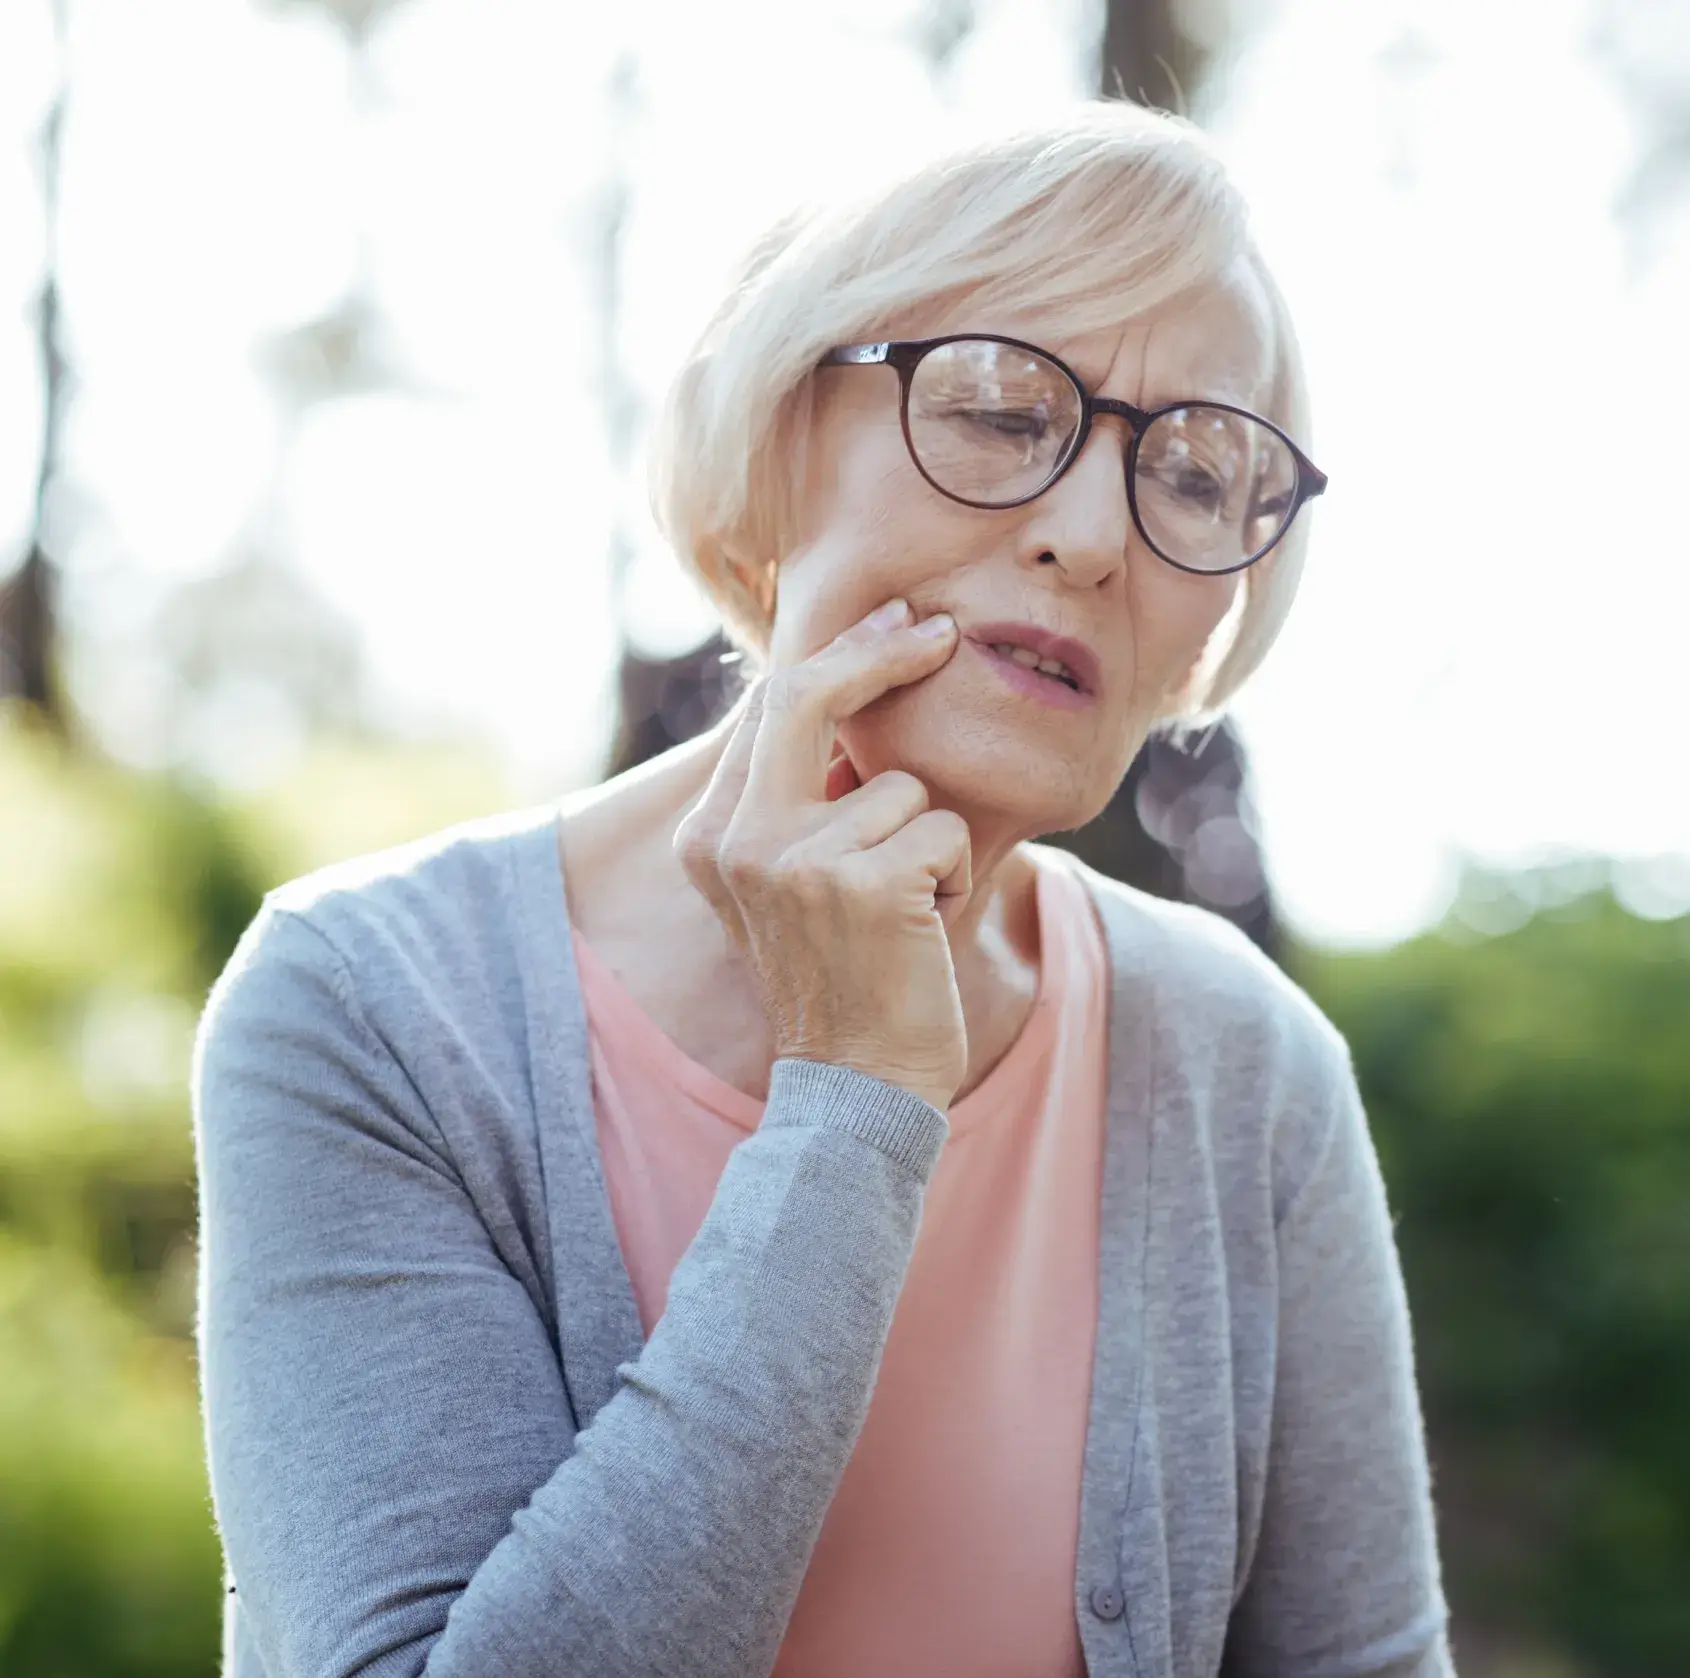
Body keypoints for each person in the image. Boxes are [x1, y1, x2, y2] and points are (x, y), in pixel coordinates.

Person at [192, 101, 1455, 1678]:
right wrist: (853, 1097)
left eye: (1195, 476)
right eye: (1001, 409)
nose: (1087, 534)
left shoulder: (1246, 1067)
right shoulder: (369, 1005)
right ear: (781, 435)